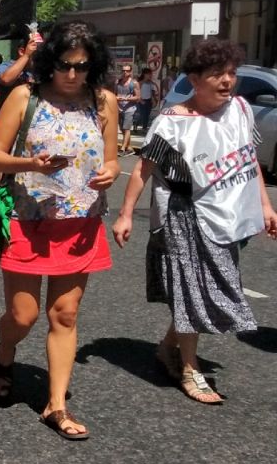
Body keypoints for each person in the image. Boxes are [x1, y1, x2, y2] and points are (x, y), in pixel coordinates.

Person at [112, 39, 277, 404]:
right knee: (192, 289)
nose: (227, 82)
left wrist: (265, 206)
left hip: (228, 210)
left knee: (210, 287)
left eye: (231, 74)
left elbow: (250, 163)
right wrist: (125, 214)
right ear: (194, 79)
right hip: (183, 214)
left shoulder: (240, 110)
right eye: (217, 74)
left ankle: (168, 348)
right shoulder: (171, 122)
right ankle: (189, 368)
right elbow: (142, 170)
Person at [0, 21, 119, 441]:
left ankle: (55, 404)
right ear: (50, 62)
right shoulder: (26, 97)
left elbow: (112, 159)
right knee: (22, 316)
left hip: (80, 223)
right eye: (65, 65)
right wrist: (32, 166)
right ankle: (5, 353)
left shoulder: (103, 102)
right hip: (29, 220)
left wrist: (111, 173)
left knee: (65, 314)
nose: (73, 74)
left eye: (82, 65)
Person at [115, 64, 138, 155]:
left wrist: (125, 99)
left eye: (127, 71)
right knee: (122, 128)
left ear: (130, 72)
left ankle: (123, 148)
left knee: (127, 128)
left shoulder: (134, 83)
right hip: (120, 108)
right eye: (123, 70)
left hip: (130, 108)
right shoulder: (118, 82)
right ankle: (129, 147)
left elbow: (138, 97)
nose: (125, 72)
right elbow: (114, 94)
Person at [136, 67, 159, 133]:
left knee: (147, 115)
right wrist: (140, 100)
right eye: (149, 74)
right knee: (142, 115)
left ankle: (144, 127)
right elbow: (137, 92)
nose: (150, 75)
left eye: (151, 74)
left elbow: (152, 92)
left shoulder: (150, 83)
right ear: (145, 74)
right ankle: (136, 123)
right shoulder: (140, 83)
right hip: (141, 101)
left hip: (148, 101)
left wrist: (154, 100)